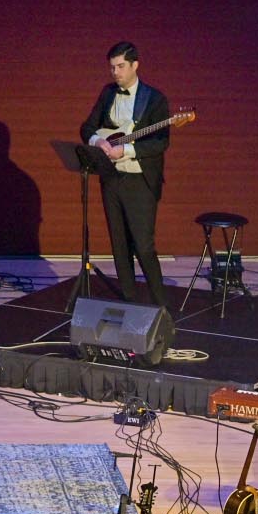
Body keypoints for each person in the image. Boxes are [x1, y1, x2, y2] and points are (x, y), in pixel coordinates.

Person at [79, 40, 174, 312]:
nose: (115, 73)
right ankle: (130, 304)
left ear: (135, 65)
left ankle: (161, 308)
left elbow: (160, 143)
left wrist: (127, 150)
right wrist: (99, 142)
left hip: (140, 181)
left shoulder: (155, 99)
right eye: (112, 68)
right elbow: (86, 127)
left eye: (121, 66)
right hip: (111, 180)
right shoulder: (108, 93)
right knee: (119, 246)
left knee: (143, 246)